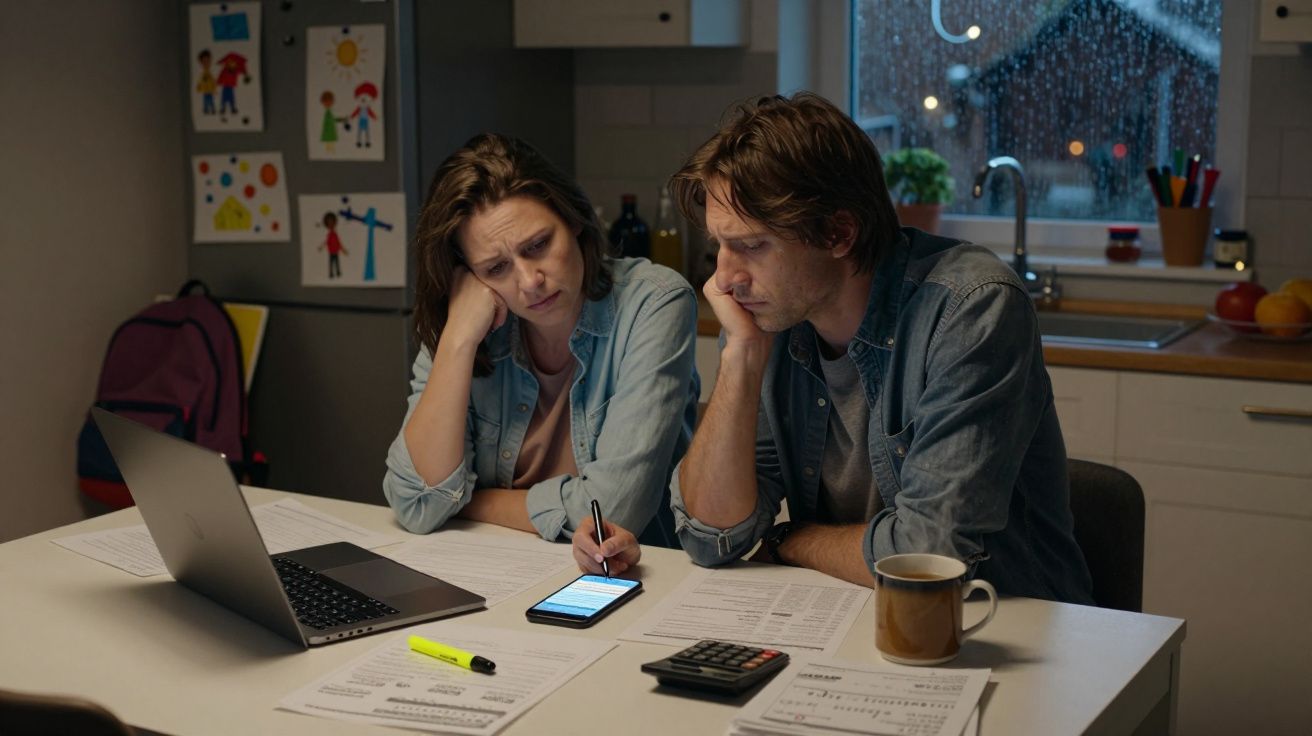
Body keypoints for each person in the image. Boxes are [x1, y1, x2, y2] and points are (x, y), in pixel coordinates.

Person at [585, 93, 1092, 604]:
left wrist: (790, 540)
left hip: (1001, 627)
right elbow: (710, 536)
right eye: (720, 245)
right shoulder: (776, 315)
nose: (723, 278)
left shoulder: (972, 309)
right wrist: (739, 354)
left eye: (752, 245)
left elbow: (928, 555)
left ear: (839, 233)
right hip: (851, 615)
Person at [384, 133, 700, 552]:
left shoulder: (654, 302)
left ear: (572, 218)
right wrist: (458, 340)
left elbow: (611, 515)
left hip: (628, 580)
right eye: (496, 268)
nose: (530, 281)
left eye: (538, 245)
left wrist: (469, 503)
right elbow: (416, 502)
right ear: (470, 276)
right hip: (497, 567)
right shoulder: (463, 319)